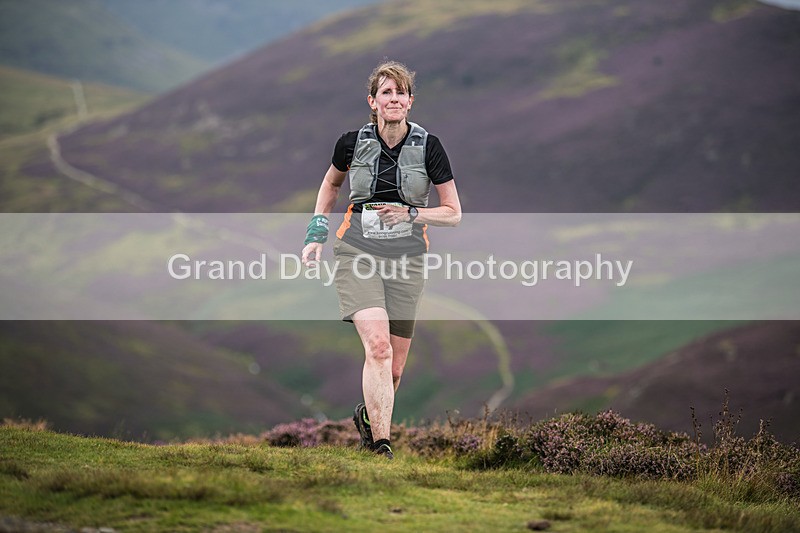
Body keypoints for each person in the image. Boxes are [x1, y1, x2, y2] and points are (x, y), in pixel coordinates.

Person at [301, 60, 461, 459]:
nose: (394, 98)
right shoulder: (351, 143)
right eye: (386, 92)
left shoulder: (429, 146)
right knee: (378, 348)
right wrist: (315, 234)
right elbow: (330, 183)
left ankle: (370, 419)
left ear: (410, 101)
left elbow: (453, 212)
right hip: (357, 252)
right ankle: (381, 447)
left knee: (393, 370)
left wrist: (411, 213)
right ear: (373, 101)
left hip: (408, 260)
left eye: (400, 92)